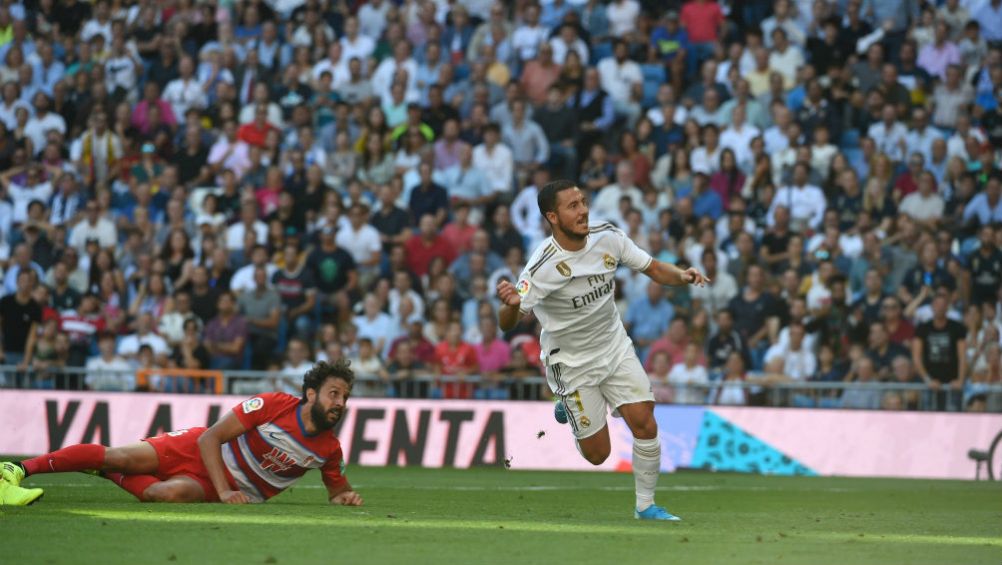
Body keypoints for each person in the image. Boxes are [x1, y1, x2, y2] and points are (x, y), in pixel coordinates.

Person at [496, 180, 709, 521]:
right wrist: (509, 305)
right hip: (571, 362)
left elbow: (653, 267)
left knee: (645, 422)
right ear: (553, 216)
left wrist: (682, 275)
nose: (583, 211)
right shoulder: (541, 266)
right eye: (573, 206)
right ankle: (566, 403)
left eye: (583, 202)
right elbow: (509, 321)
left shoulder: (607, 236)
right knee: (598, 454)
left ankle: (646, 506)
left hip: (614, 347)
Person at [0, 361, 363, 507]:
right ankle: (17, 469)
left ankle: (104, 472)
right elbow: (210, 438)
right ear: (311, 394)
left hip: (217, 486)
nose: (340, 403)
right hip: (199, 452)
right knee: (120, 456)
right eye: (334, 394)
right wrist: (225, 491)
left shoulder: (329, 450)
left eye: (345, 397)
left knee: (166, 494)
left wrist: (344, 499)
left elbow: (337, 491)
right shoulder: (272, 405)